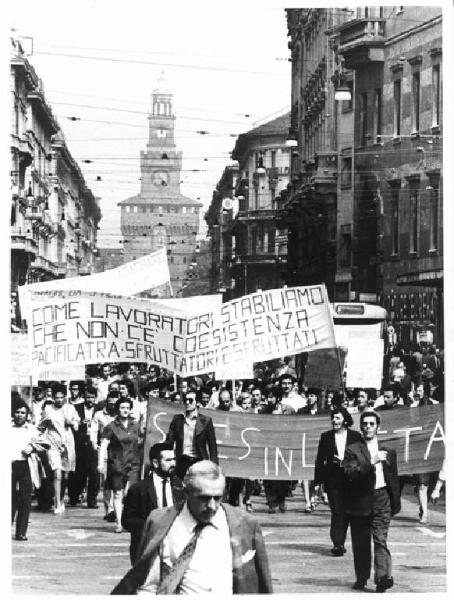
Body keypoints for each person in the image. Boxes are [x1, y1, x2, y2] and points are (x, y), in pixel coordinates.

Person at [111, 461, 273, 594]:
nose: (212, 506)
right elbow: (148, 584)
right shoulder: (160, 522)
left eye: (218, 498)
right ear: (186, 492)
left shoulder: (245, 524)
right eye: (204, 498)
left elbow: (263, 585)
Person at [343, 410, 401, 592]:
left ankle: (383, 577)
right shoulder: (352, 449)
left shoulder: (389, 451)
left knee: (380, 538)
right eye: (365, 424)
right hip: (360, 500)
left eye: (372, 424)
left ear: (378, 427)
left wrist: (394, 501)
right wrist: (373, 461)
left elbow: (394, 477)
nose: (368, 427)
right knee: (361, 542)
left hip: (382, 498)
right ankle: (361, 577)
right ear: (361, 427)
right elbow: (350, 474)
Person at [122, 443, 184, 564]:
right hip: (147, 549)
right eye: (168, 460)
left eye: (174, 459)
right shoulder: (139, 489)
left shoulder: (180, 486)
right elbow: (127, 521)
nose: (173, 464)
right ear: (155, 463)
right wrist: (153, 524)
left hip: (175, 549)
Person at [314, 406, 362, 556]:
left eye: (338, 418)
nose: (334, 421)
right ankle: (338, 543)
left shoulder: (355, 436)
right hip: (333, 479)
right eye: (333, 418)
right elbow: (320, 460)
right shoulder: (326, 436)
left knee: (348, 512)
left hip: (351, 480)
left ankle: (343, 539)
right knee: (337, 511)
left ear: (345, 420)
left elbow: (362, 458)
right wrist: (318, 483)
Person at [98, 397, 141, 533]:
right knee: (118, 493)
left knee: (131, 492)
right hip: (117, 463)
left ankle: (129, 519)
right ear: (117, 409)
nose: (125, 411)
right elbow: (104, 445)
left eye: (127, 408)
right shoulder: (111, 426)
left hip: (133, 462)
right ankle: (120, 522)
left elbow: (142, 441)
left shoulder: (136, 425)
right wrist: (101, 463)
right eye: (122, 408)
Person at [39, 383, 80, 514]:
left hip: (67, 443)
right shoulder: (48, 408)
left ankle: (62, 499)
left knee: (65, 475)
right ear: (53, 397)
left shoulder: (70, 408)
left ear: (65, 397)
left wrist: (73, 423)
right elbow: (41, 426)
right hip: (53, 443)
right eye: (57, 397)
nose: (59, 400)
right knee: (56, 472)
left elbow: (77, 425)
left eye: (61, 397)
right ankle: (57, 503)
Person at [12, 400, 49, 541]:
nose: (19, 415)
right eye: (17, 412)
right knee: (9, 498)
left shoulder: (32, 429)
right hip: (10, 465)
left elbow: (45, 444)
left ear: (27, 414)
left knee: (25, 498)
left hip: (26, 465)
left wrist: (32, 447)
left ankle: (21, 531)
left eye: (22, 412)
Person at [166, 391, 218, 479]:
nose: (187, 403)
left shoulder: (206, 421)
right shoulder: (177, 419)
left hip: (199, 462)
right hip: (182, 462)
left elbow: (212, 446)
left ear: (197, 402)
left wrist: (214, 467)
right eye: (185, 400)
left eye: (190, 400)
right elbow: (169, 441)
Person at [90, 390, 118, 521]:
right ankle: (110, 509)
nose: (113, 406)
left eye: (115, 403)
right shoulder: (99, 415)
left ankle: (117, 508)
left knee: (117, 481)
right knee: (106, 480)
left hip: (119, 450)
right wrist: (94, 443)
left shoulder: (121, 414)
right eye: (110, 403)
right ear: (106, 402)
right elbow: (94, 430)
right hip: (104, 449)